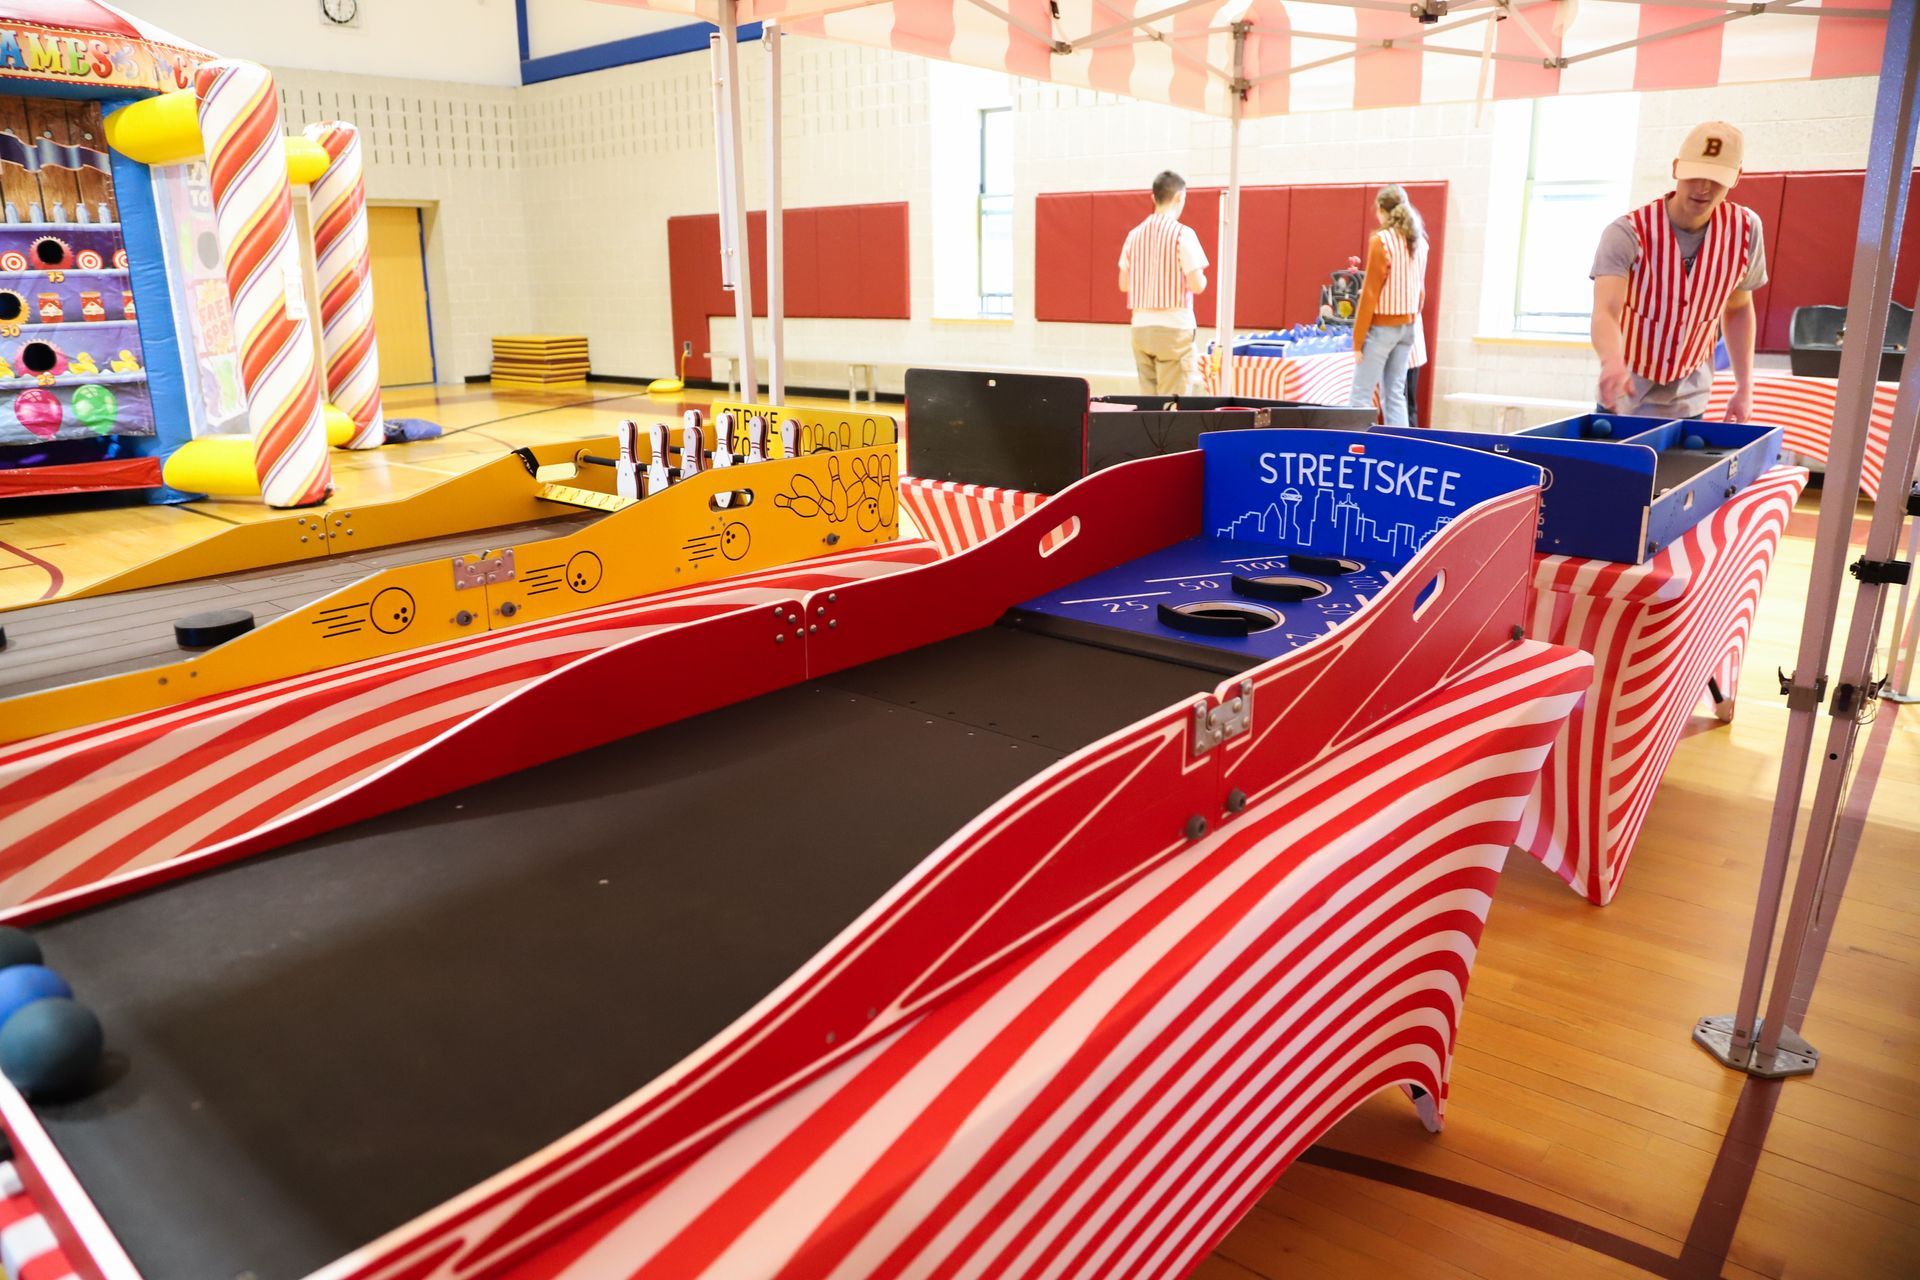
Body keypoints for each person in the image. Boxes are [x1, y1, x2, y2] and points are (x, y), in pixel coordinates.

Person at [1591, 121, 1766, 421]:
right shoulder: (1627, 233)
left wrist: (1745, 386)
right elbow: (1606, 310)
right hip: (1625, 396)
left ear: (1736, 177)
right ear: (1676, 168)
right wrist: (1611, 361)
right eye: (1694, 174)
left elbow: (1738, 309)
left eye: (1716, 178)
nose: (1703, 188)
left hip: (1691, 400)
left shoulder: (1746, 231)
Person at [1118, 170, 1209, 396]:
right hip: (1174, 328)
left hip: (1140, 328)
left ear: (1153, 198)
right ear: (1179, 197)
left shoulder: (1133, 235)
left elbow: (1123, 284)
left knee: (1148, 404)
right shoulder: (1183, 235)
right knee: (1172, 406)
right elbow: (1197, 285)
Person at [1348, 185, 1428, 427]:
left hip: (1383, 327)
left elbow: (1370, 293)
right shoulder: (1420, 242)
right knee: (1394, 395)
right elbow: (1421, 292)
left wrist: (1358, 340)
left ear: (1382, 210)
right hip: (1409, 326)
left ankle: (1356, 449)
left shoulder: (1381, 241)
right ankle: (1399, 449)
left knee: (1360, 397)